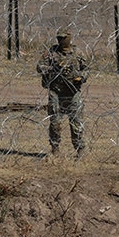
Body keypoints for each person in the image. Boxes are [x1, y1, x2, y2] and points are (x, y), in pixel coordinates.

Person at [36, 28, 87, 156]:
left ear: (69, 38)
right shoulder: (51, 52)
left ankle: (79, 149)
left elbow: (87, 69)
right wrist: (53, 69)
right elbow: (39, 67)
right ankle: (55, 148)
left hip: (73, 92)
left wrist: (80, 77)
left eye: (63, 38)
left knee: (76, 122)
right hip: (56, 92)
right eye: (59, 38)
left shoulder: (77, 53)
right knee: (55, 122)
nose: (60, 40)